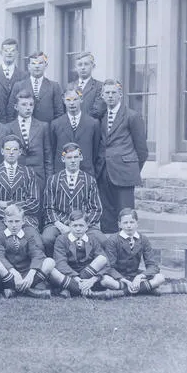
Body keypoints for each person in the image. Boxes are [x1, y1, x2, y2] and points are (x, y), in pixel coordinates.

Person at [97, 79, 149, 234]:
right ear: (102, 95)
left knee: (126, 217)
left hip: (124, 173)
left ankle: (127, 247)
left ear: (120, 94)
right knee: (106, 216)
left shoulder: (132, 116)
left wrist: (130, 168)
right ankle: (110, 247)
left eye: (114, 92)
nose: (110, 96)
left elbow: (142, 150)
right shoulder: (101, 117)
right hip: (104, 172)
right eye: (107, 93)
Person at [0, 135, 41, 262]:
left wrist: (10, 206)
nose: (11, 152)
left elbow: (34, 203)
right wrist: (7, 216)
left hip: (24, 219)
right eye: (8, 149)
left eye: (15, 149)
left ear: (20, 152)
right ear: (2, 151)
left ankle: (29, 269)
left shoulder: (29, 173)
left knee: (38, 243)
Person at [42, 142, 106, 257]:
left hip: (84, 223)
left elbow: (96, 209)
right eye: (69, 157)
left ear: (81, 158)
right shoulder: (53, 180)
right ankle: (55, 262)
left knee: (102, 240)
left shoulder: (89, 180)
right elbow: (48, 208)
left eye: (76, 157)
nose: (73, 161)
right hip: (59, 223)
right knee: (47, 238)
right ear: (63, 159)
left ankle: (89, 261)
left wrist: (83, 225)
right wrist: (60, 225)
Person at [0, 203, 53, 299]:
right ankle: (30, 291)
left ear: (23, 221)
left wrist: (31, 274)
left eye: (17, 221)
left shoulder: (28, 235)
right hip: (9, 274)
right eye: (10, 221)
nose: (14, 225)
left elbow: (37, 254)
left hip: (26, 273)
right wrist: (13, 271)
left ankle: (17, 288)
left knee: (50, 262)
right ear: (5, 221)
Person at [45, 209, 112, 298]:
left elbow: (106, 264)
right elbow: (60, 263)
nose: (78, 229)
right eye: (75, 225)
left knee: (102, 259)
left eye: (81, 225)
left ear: (87, 226)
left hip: (88, 275)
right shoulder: (61, 239)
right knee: (52, 272)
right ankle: (87, 292)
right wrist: (76, 278)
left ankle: (71, 289)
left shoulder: (92, 239)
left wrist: (93, 280)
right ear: (69, 226)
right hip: (69, 274)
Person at [100, 208, 164, 296]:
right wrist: (123, 279)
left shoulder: (143, 239)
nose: (129, 226)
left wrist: (140, 277)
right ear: (119, 224)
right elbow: (109, 267)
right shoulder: (113, 240)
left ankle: (124, 291)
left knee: (160, 278)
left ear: (137, 223)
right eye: (125, 223)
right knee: (105, 281)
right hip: (119, 277)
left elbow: (152, 265)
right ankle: (144, 288)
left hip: (135, 275)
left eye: (132, 222)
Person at [6, 89, 53, 191]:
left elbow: (48, 155)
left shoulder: (42, 126)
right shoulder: (8, 128)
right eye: (24, 104)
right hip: (16, 176)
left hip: (38, 176)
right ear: (16, 107)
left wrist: (49, 180)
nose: (28, 108)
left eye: (31, 104)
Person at [50, 86, 102, 176]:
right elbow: (53, 149)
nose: (72, 103)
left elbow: (96, 151)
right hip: (62, 173)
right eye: (68, 100)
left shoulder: (93, 123)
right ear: (64, 100)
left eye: (75, 99)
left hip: (86, 173)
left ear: (81, 99)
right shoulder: (56, 124)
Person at [6, 51, 64, 123]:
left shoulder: (54, 86)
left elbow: (59, 113)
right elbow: (11, 111)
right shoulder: (18, 86)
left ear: (46, 65)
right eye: (33, 63)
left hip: (47, 128)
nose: (37, 66)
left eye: (40, 63)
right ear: (29, 67)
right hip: (24, 127)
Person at [0, 38, 27, 125]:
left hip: (17, 121)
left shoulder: (24, 75)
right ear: (1, 52)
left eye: (12, 51)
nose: (9, 53)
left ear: (17, 53)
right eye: (6, 50)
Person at [72, 51, 106, 120]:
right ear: (76, 68)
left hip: (91, 124)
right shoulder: (69, 86)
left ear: (93, 66)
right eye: (80, 65)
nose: (83, 67)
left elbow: (98, 111)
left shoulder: (100, 86)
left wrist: (79, 121)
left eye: (86, 64)